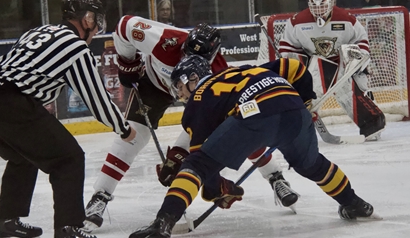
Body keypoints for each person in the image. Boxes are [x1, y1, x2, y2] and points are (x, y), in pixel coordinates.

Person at [84, 18, 298, 231]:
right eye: (187, 53)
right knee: (131, 136)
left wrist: (179, 156)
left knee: (240, 127)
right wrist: (128, 62)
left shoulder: (217, 74)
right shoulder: (164, 41)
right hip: (154, 85)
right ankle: (101, 195)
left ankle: (275, 176)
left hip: (196, 98)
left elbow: (200, 129)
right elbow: (124, 26)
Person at [128, 55, 379, 238]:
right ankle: (355, 203)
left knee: (196, 165)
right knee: (313, 165)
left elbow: (201, 165)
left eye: (179, 87)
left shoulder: (199, 100)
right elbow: (293, 67)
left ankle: (163, 222)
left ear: (193, 78)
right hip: (294, 111)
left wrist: (217, 190)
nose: (179, 95)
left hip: (255, 114)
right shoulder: (242, 69)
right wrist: (305, 99)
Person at [0, 0, 136, 238]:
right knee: (69, 159)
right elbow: (96, 99)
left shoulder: (40, 32)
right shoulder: (75, 47)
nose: (97, 28)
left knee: (23, 156)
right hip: (12, 101)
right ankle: (69, 227)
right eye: (96, 20)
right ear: (86, 19)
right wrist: (124, 128)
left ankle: (6, 222)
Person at [279, 0, 385, 141]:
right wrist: (292, 66)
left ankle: (371, 123)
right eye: (315, 7)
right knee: (311, 90)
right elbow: (287, 46)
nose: (319, 11)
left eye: (322, 6)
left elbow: (361, 41)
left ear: (330, 3)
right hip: (316, 64)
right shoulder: (298, 21)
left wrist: (358, 60)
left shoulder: (346, 18)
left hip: (344, 63)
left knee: (357, 89)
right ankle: (297, 125)